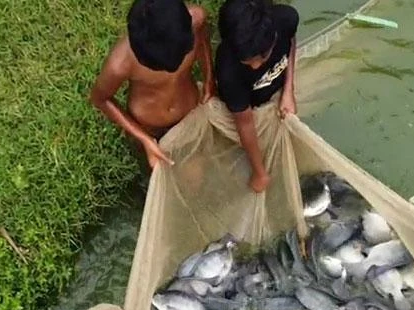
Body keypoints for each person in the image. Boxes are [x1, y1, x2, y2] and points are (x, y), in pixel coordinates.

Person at [90, 0, 215, 169]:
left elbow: (203, 43)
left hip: (189, 110)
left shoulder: (196, 21)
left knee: (197, 168)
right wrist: (144, 138)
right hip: (149, 126)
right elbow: (100, 99)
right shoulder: (121, 63)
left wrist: (209, 79)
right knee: (160, 168)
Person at [215, 0, 299, 193]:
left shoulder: (286, 18)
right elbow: (244, 122)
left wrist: (288, 91)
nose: (255, 66)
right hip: (248, 106)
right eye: (247, 62)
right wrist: (260, 172)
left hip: (276, 90)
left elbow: (292, 40)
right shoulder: (228, 69)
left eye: (261, 58)